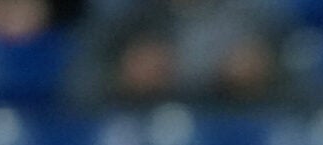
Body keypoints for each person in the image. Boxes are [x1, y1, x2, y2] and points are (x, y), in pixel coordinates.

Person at [72, 0, 290, 108]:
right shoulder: (125, 20)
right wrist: (124, 80)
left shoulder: (255, 20)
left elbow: (305, 98)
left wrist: (259, 80)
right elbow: (76, 93)